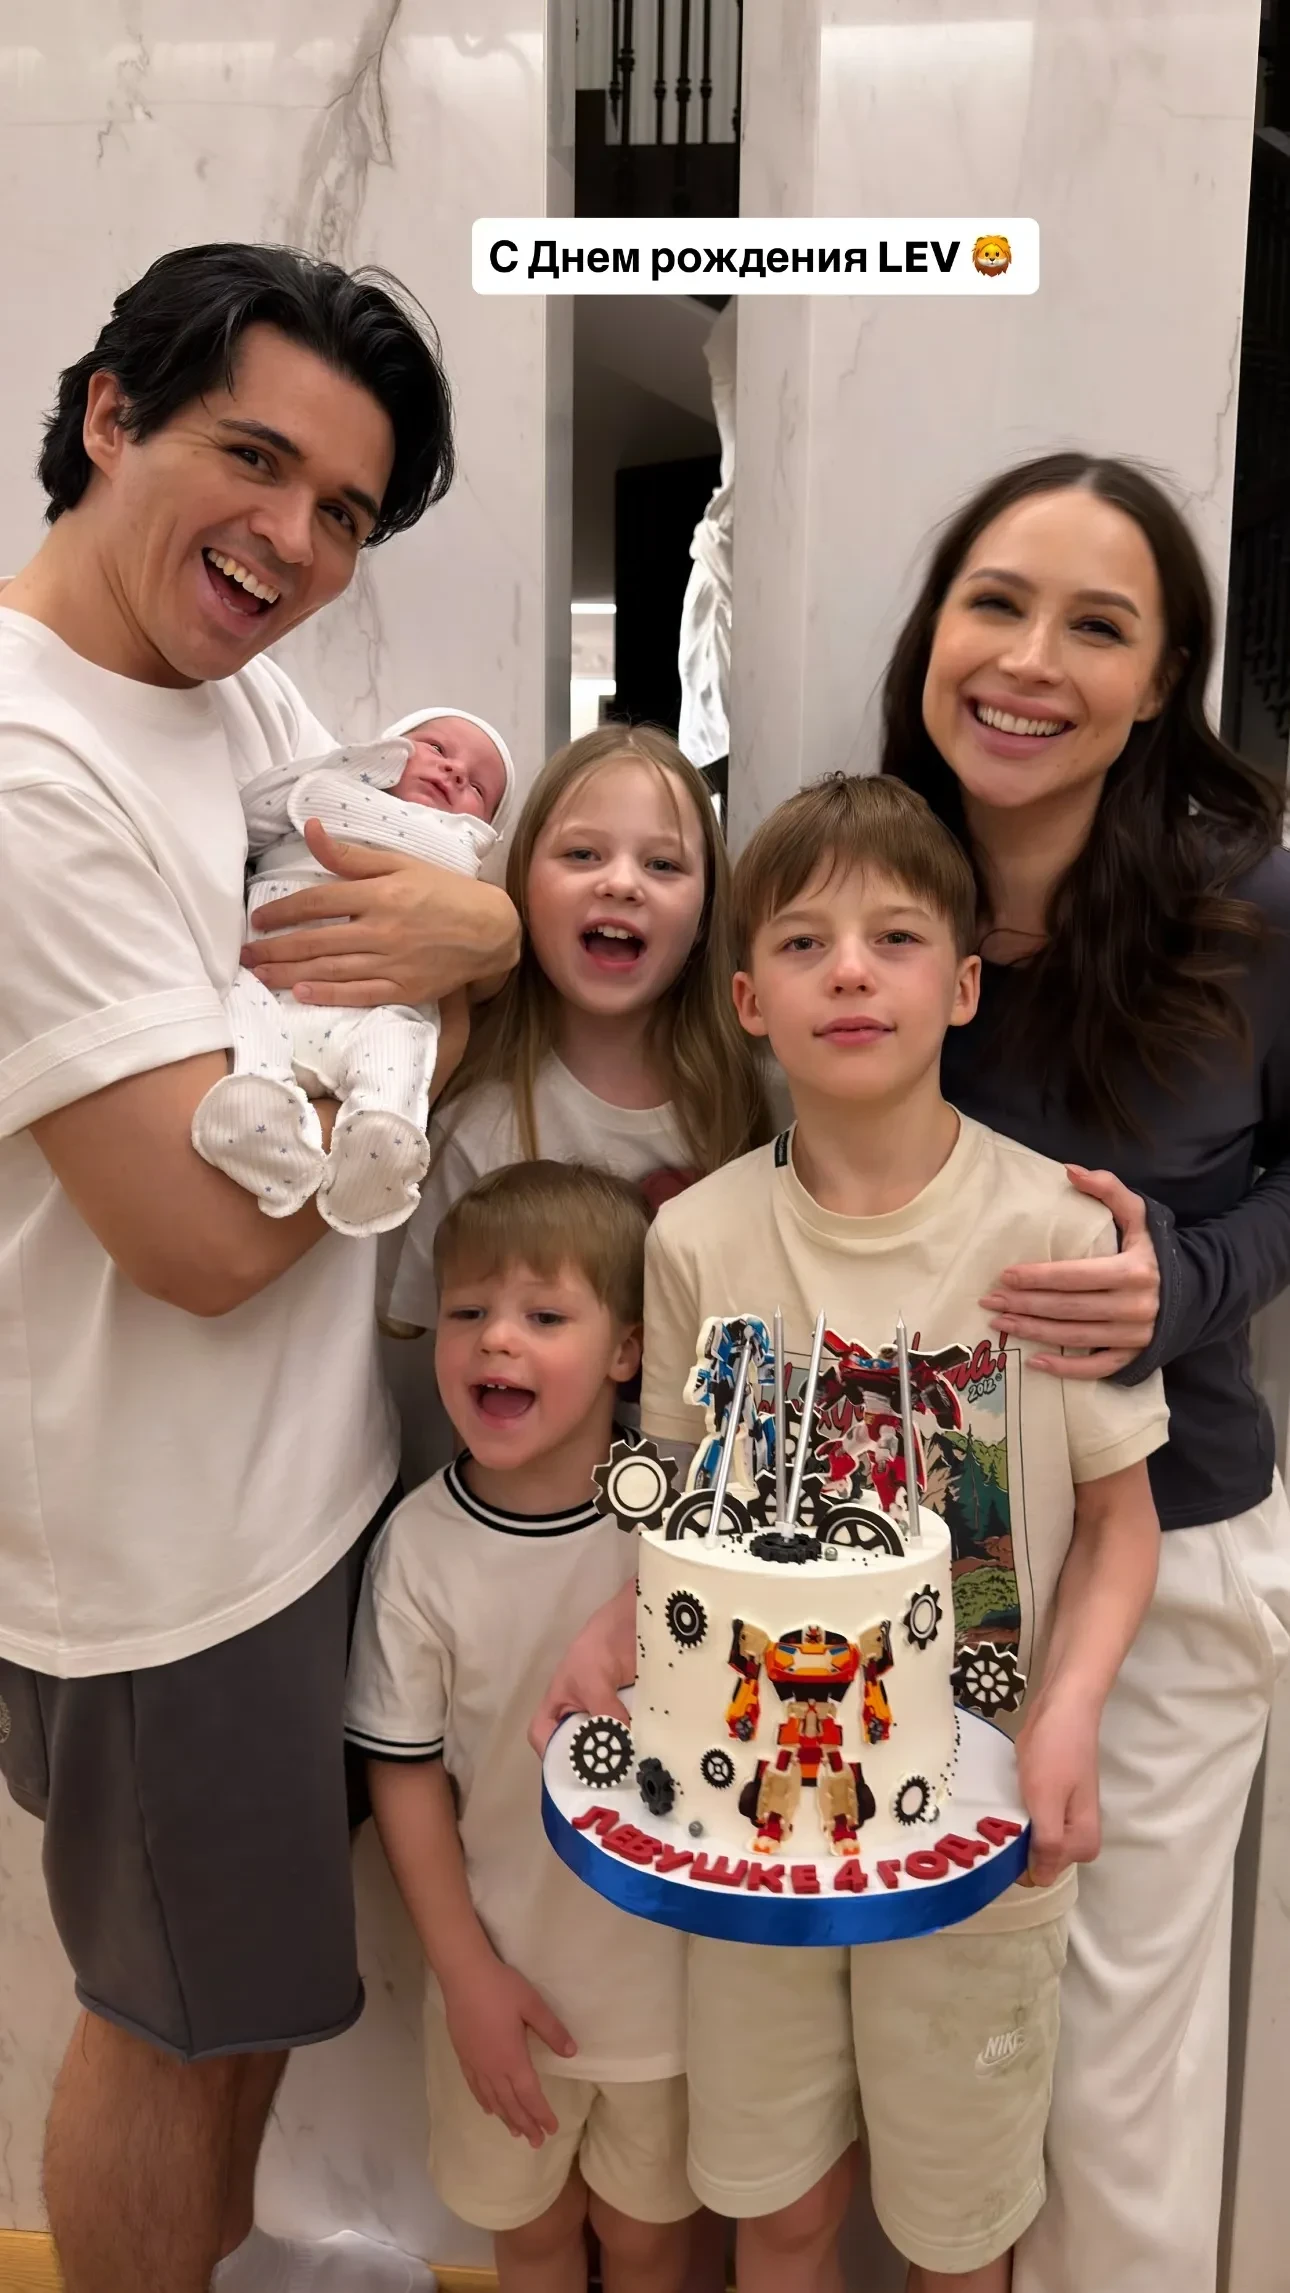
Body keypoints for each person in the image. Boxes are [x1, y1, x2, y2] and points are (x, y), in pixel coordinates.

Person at [0, 242, 519, 2293]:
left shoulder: (234, 689)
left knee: (241, 2023)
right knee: (170, 2028)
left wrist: (469, 932)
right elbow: (204, 1240)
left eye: (346, 512)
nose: (293, 541)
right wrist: (461, 1000)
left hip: (292, 1505)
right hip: (166, 1558)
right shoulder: (26, 766)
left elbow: (391, 891)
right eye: (253, 457)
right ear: (110, 411)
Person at [633, 773, 1167, 2293]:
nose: (851, 971)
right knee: (783, 2210)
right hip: (757, 1824)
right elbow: (671, 1507)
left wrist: (1068, 1712)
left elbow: (1119, 1519)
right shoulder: (695, 1240)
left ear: (964, 983)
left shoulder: (1053, 1231)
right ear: (748, 999)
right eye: (804, 943)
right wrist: (621, 1636)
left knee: (956, 2230)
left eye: (895, 937)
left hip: (981, 1823)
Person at [871, 451, 1290, 2293]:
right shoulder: (861, 882)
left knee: (1112, 2085)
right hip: (899, 1563)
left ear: (1159, 678)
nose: (1030, 660)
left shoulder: (1252, 906)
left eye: (1097, 626)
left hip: (1167, 1550)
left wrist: (1182, 1283)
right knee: (940, 2077)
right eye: (996, 602)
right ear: (933, 630)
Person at [347, 1161, 697, 2293]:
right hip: (500, 1989)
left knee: (649, 2242)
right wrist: (468, 1978)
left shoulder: (679, 1531)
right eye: (467, 1311)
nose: (497, 1337)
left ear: (627, 1349)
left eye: (544, 1315)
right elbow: (405, 1779)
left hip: (674, 1998)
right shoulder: (418, 1549)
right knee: (533, 2237)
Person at [386, 722, 770, 1340]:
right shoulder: (473, 1134)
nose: (621, 882)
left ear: (705, 914)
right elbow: (431, 1359)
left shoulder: (759, 1104)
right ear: (522, 889)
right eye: (582, 854)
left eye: (663, 863)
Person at [193, 705, 515, 1236]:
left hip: (370, 1014)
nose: (456, 771)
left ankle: (379, 1141)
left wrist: (333, 796)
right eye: (436, 748)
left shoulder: (453, 842)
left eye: (478, 788)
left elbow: (456, 865)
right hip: (270, 985)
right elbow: (251, 817)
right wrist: (347, 769)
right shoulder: (324, 782)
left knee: (403, 1040)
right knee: (240, 1001)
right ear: (382, 750)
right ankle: (259, 1105)